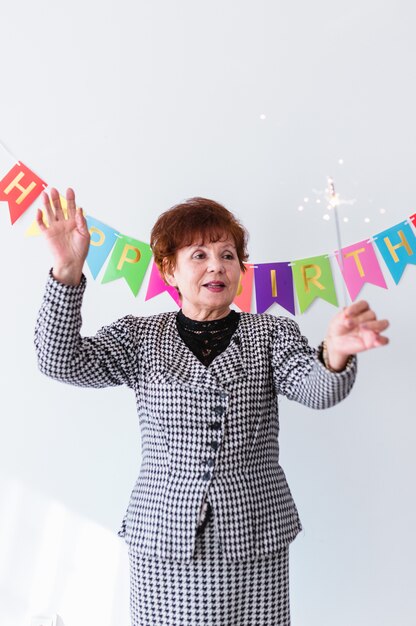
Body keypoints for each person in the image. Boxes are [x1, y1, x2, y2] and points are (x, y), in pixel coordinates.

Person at [34, 188, 389, 626]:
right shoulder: (139, 338)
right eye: (199, 255)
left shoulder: (272, 335)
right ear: (169, 269)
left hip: (253, 538)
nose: (217, 265)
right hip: (163, 538)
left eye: (228, 254)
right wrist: (67, 271)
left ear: (241, 267)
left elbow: (317, 389)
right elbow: (59, 360)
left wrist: (334, 352)